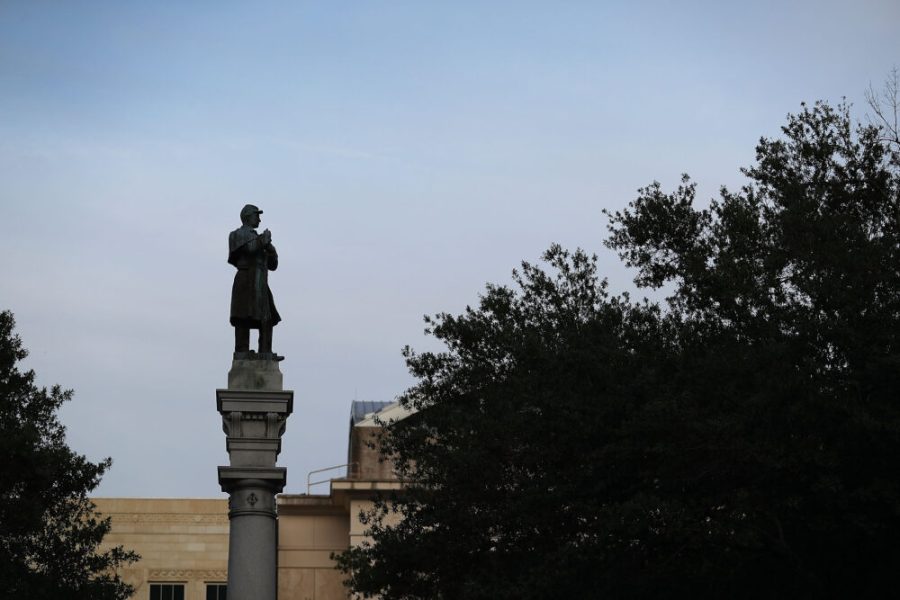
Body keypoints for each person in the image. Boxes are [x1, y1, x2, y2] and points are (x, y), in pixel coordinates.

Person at [228, 204, 282, 360]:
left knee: (267, 317)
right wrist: (262, 241)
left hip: (260, 281)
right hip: (245, 279)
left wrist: (271, 250)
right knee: (243, 316)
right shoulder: (237, 234)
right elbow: (249, 250)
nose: (259, 219)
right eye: (256, 215)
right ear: (247, 217)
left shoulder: (260, 239)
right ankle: (242, 352)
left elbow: (273, 265)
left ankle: (265, 351)